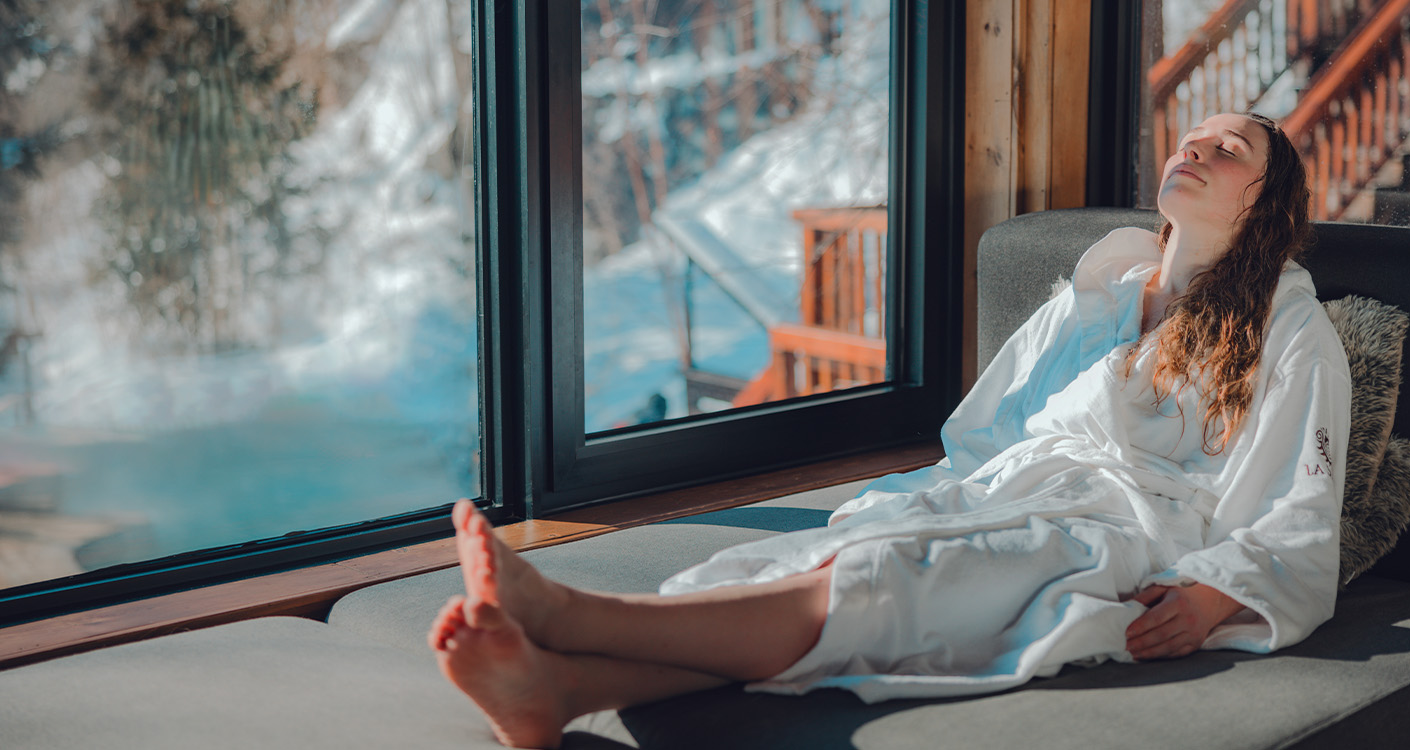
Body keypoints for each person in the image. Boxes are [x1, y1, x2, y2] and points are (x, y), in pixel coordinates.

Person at [426, 112, 1352, 749]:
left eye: (1229, 149)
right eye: (1193, 135)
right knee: (814, 565)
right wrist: (947, 498)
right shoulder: (1099, 288)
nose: (1197, 146)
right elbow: (992, 425)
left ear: (1264, 203)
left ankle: (569, 614)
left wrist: (1217, 594)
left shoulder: (1291, 327)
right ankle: (566, 692)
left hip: (1123, 532)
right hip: (1016, 489)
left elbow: (1301, 509)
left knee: (899, 577)